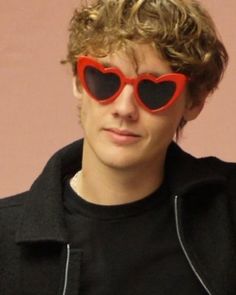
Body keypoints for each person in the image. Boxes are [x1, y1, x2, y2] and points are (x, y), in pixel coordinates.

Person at [0, 0, 235, 294]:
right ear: (78, 82)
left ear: (194, 102)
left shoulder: (228, 211)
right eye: (105, 79)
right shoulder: (5, 237)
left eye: (154, 88)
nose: (124, 108)